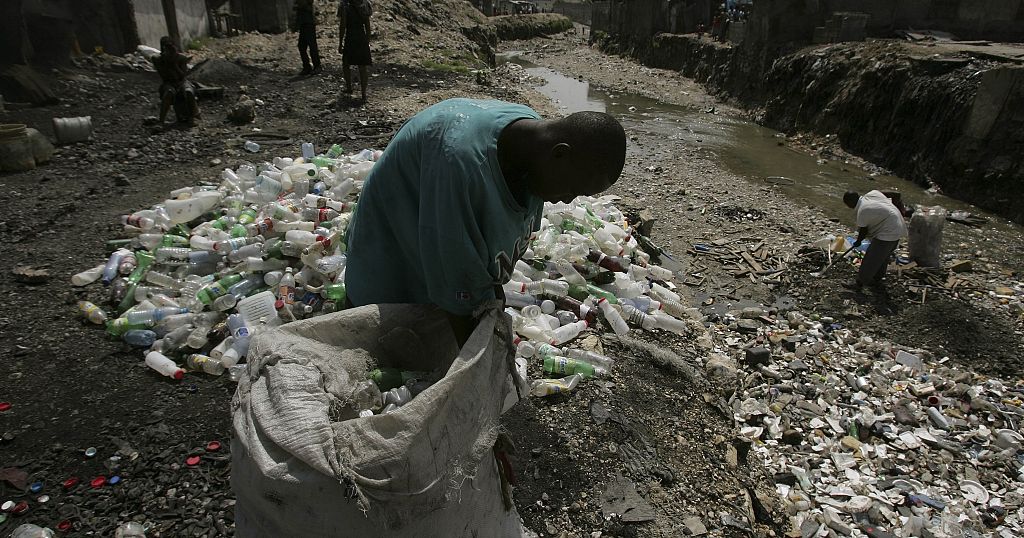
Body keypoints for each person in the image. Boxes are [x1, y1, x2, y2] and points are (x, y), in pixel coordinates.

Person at [344, 98, 627, 345]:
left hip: (431, 266)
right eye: (571, 189)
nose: (567, 200)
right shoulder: (461, 165)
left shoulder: (532, 146)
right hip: (388, 276)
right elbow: (455, 279)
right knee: (400, 348)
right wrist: (482, 366)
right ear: (560, 154)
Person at [843, 190, 908, 292]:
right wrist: (897, 208)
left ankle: (859, 283)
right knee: (882, 258)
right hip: (898, 226)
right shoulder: (872, 194)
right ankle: (876, 280)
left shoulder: (863, 210)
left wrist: (858, 242)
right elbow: (895, 194)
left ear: (850, 202)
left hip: (888, 232)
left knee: (871, 258)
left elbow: (863, 231)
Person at [152, 36, 199, 124]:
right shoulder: (158, 60)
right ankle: (161, 121)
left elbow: (183, 76)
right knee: (168, 93)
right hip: (168, 83)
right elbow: (164, 76)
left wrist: (174, 65)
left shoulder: (181, 58)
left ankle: (192, 117)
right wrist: (166, 62)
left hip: (182, 82)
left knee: (188, 91)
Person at [337, 0, 372, 101]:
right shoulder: (364, 5)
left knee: (346, 63)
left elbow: (343, 26)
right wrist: (367, 41)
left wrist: (340, 43)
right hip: (361, 38)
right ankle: (364, 94)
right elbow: (367, 26)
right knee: (362, 67)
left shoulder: (344, 6)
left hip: (350, 37)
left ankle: (349, 88)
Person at [295, 0, 322, 75]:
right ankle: (307, 67)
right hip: (303, 23)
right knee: (302, 46)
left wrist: (301, 5)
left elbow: (306, 4)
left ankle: (317, 66)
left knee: (312, 46)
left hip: (309, 23)